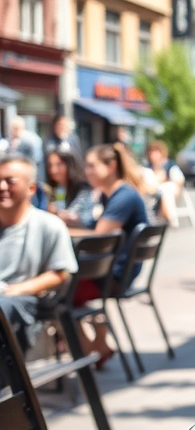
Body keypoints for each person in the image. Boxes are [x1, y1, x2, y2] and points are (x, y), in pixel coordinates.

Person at [72, 144, 150, 363]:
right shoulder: (113, 195)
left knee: (56, 296)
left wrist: (61, 229)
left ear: (111, 166)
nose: (86, 172)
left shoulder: (123, 195)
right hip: (112, 274)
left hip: (113, 278)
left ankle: (88, 354)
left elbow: (98, 235)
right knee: (61, 290)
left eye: (91, 166)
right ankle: (100, 339)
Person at [0, 153, 78, 355]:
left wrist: (18, 289)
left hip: (24, 302)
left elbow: (61, 272)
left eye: (9, 181)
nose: (2, 187)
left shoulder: (48, 225)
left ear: (31, 189)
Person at [46, 148, 97, 228]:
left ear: (69, 165)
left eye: (59, 165)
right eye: (50, 165)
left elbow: (84, 217)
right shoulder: (58, 189)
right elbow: (60, 208)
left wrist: (63, 214)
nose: (53, 170)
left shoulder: (83, 189)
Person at [144, 140, 186, 226]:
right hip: (152, 192)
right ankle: (168, 219)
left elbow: (179, 181)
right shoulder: (147, 168)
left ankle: (169, 219)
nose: (154, 156)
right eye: (152, 153)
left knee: (166, 191)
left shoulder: (170, 165)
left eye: (156, 152)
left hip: (171, 191)